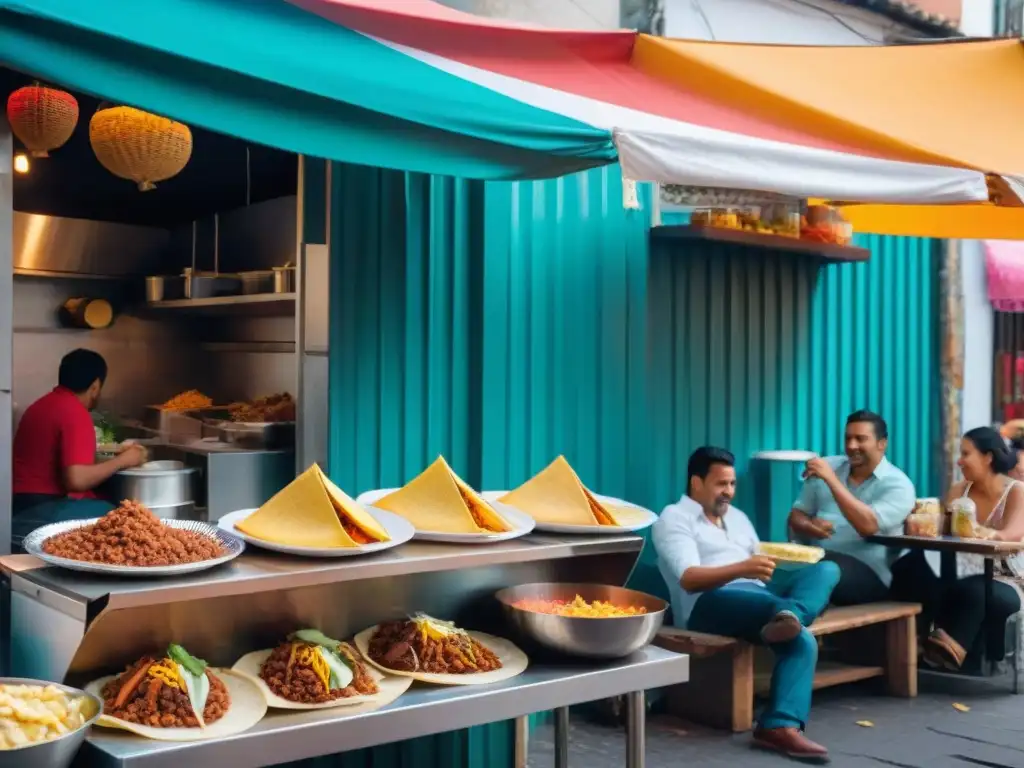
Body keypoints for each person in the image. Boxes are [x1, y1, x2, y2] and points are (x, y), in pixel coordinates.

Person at [652, 446, 839, 762]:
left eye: (732, 484)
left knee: (827, 570)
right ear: (696, 483)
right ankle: (790, 620)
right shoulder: (673, 518)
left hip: (760, 597)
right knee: (797, 633)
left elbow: (762, 564)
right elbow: (689, 578)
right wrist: (742, 569)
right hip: (708, 604)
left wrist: (781, 562)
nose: (729, 492)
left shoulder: (737, 518)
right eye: (720, 484)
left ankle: (779, 721)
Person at [890, 427, 1024, 671]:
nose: (959, 461)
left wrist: (985, 532)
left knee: (974, 588)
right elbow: (941, 529)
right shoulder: (959, 491)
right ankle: (911, 644)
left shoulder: (1016, 492)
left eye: (966, 454)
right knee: (908, 567)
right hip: (960, 571)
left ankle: (946, 651)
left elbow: (1011, 535)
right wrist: (921, 520)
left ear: (988, 457)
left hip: (1007, 579)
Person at [11, 349, 146, 544]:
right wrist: (124, 460)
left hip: (18, 509)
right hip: (41, 513)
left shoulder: (42, 405)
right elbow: (76, 480)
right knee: (127, 518)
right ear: (95, 386)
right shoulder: (75, 412)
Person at [787, 410, 915, 605]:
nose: (851, 446)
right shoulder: (829, 466)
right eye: (848, 438)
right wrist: (808, 526)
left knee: (824, 569)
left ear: (882, 443)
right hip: (816, 559)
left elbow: (868, 525)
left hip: (870, 575)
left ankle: (791, 617)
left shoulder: (898, 485)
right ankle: (783, 618)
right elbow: (795, 516)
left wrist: (831, 480)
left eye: (860, 439)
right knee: (779, 564)